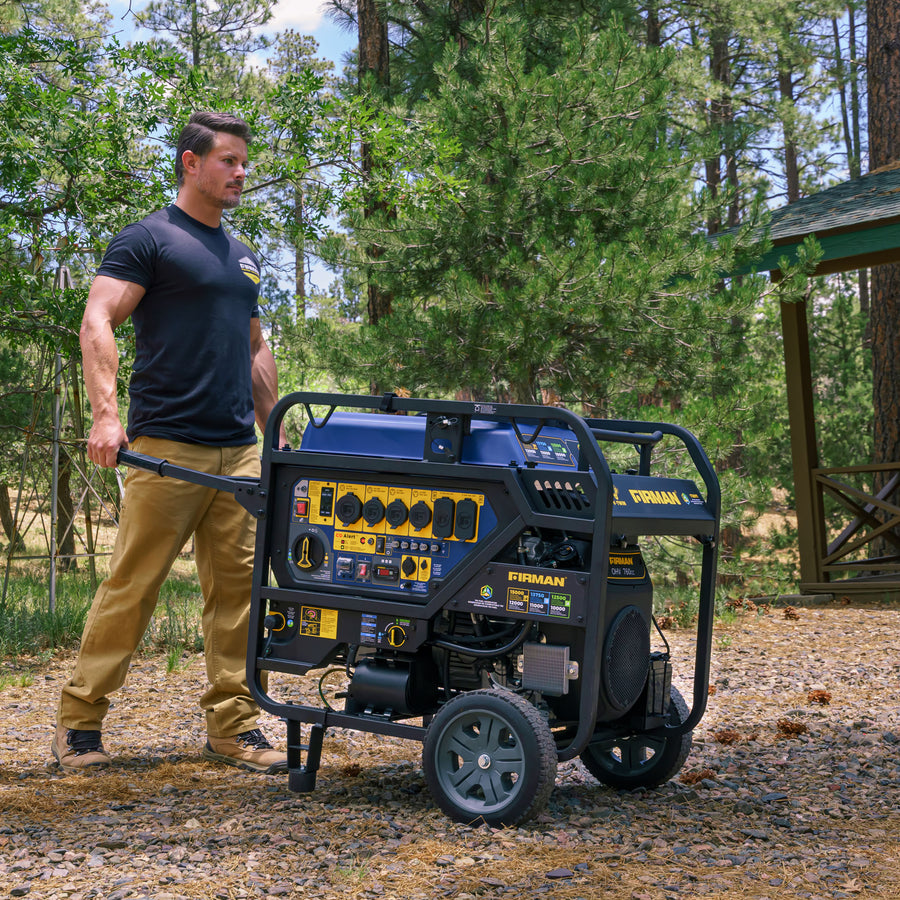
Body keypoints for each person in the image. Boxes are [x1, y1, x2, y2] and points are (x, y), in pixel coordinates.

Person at [53, 111, 287, 775]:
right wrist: (105, 415)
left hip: (238, 454)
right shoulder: (148, 239)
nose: (242, 172)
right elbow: (97, 317)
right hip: (166, 449)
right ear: (191, 162)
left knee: (239, 596)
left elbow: (255, 348)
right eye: (229, 161)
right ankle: (79, 725)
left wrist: (277, 434)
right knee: (133, 589)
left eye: (244, 161)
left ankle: (233, 727)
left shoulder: (242, 257)